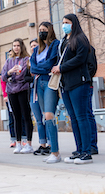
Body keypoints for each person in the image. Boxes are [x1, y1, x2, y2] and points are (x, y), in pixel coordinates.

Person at [51, 14, 93, 165]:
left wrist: (61, 67)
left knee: (82, 117)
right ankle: (79, 149)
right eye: (63, 23)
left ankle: (87, 152)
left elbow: (80, 58)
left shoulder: (80, 38)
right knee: (73, 118)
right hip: (66, 84)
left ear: (74, 24)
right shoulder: (64, 41)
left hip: (79, 82)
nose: (64, 25)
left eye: (67, 22)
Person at [30, 22, 60, 162]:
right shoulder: (37, 50)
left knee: (49, 115)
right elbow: (32, 68)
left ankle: (55, 152)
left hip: (49, 82)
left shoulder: (55, 44)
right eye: (40, 30)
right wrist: (41, 67)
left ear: (50, 31)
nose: (42, 32)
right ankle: (50, 148)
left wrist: (39, 67)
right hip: (39, 83)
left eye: (44, 30)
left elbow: (50, 64)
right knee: (43, 116)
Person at [1, 39, 34, 154]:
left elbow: (22, 76)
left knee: (26, 115)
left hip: (23, 90)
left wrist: (11, 77)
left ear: (21, 47)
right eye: (14, 46)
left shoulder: (26, 60)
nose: (16, 48)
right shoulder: (9, 61)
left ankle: (28, 143)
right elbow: (3, 77)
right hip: (11, 91)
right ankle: (18, 143)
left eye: (18, 46)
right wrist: (10, 73)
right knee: (16, 117)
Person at [27, 38, 48, 155]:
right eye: (31, 46)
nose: (33, 48)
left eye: (35, 45)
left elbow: (44, 70)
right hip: (33, 91)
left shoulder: (44, 58)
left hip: (43, 88)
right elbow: (25, 77)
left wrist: (36, 70)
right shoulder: (29, 61)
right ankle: (42, 143)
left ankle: (50, 143)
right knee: (38, 120)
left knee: (47, 117)